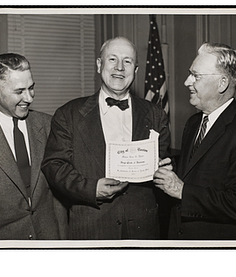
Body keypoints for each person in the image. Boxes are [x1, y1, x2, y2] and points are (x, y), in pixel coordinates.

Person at [42, 36, 171, 240]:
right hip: (92, 228)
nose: (119, 67)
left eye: (127, 61)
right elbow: (54, 165)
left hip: (143, 229)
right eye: (112, 59)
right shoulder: (69, 114)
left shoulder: (156, 114)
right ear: (99, 64)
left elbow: (160, 162)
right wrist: (91, 189)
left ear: (135, 71)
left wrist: (162, 168)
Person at [153, 42, 236, 240]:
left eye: (196, 76)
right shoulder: (194, 122)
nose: (186, 82)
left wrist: (182, 191)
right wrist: (171, 169)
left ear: (222, 83)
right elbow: (198, 170)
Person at [0, 53, 67, 240]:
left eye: (31, 88)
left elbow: (58, 195)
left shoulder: (49, 125)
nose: (29, 98)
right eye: (19, 92)